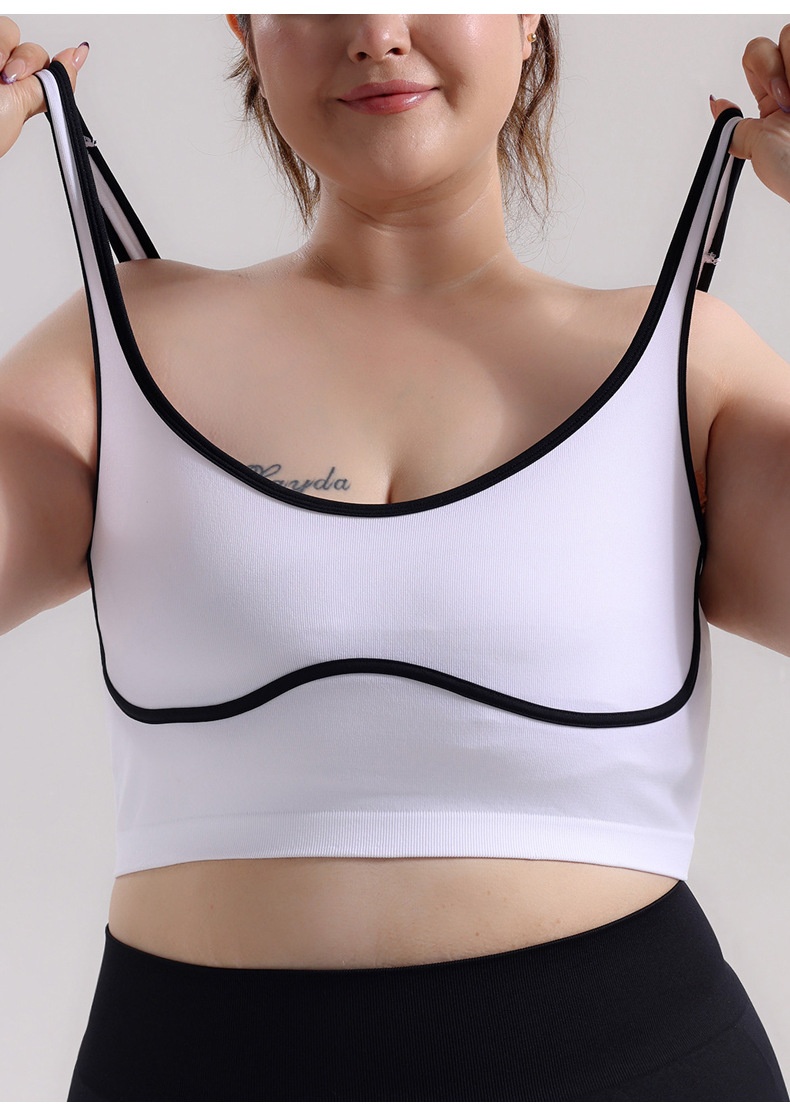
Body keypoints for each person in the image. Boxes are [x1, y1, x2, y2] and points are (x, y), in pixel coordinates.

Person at [0, 12, 788, 1103]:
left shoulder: (688, 362)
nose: (375, 32)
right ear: (245, 26)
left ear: (527, 16)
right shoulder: (108, 349)